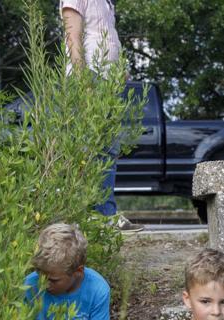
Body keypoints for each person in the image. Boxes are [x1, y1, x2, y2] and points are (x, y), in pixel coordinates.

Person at [60, 0, 142, 232]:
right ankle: (96, 214)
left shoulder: (106, 2)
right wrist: (83, 80)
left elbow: (106, 36)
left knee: (108, 148)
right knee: (93, 147)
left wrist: (120, 70)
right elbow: (72, 37)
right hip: (91, 77)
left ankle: (104, 212)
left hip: (108, 80)